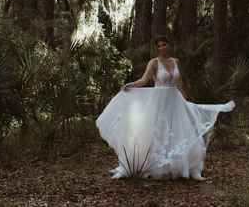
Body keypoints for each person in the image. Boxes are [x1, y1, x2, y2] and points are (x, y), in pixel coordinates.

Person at [95, 36, 234, 180]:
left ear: (169, 45)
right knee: (157, 130)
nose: (162, 48)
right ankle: (151, 165)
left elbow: (179, 81)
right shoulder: (154, 62)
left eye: (164, 45)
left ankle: (185, 166)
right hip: (159, 101)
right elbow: (144, 80)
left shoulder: (175, 61)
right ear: (157, 48)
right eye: (159, 46)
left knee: (178, 130)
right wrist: (130, 85)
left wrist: (184, 97)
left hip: (175, 100)